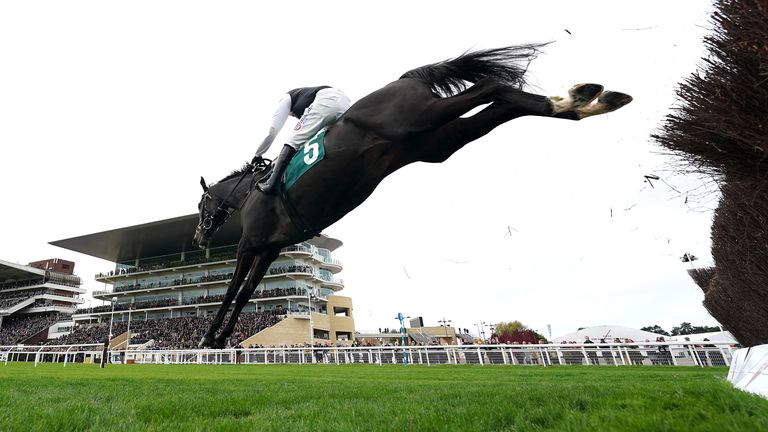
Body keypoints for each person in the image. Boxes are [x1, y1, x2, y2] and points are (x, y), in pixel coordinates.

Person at [253, 86, 351, 194]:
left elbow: (272, 130)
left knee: (293, 140)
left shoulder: (286, 98)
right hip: (345, 103)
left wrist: (258, 155)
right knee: (323, 141)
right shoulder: (305, 97)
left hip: (326, 99)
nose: (294, 116)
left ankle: (271, 184)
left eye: (292, 115)